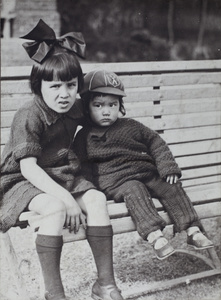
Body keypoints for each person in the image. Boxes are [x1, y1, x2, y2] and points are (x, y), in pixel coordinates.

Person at [0, 21, 124, 300]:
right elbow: (27, 166)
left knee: (96, 199)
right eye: (54, 86)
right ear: (38, 87)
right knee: (55, 207)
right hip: (21, 180)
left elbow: (105, 114)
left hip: (60, 173)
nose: (64, 94)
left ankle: (105, 284)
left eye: (70, 85)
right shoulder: (29, 115)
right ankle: (54, 293)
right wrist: (68, 200)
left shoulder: (76, 108)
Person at [73, 69, 214, 261]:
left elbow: (155, 142)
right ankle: (155, 236)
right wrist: (90, 189)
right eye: (98, 105)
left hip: (146, 173)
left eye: (112, 105)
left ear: (120, 106)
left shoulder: (130, 126)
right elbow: (81, 166)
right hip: (116, 182)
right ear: (87, 108)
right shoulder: (83, 137)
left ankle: (193, 230)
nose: (106, 111)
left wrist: (167, 167)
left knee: (170, 186)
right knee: (135, 190)